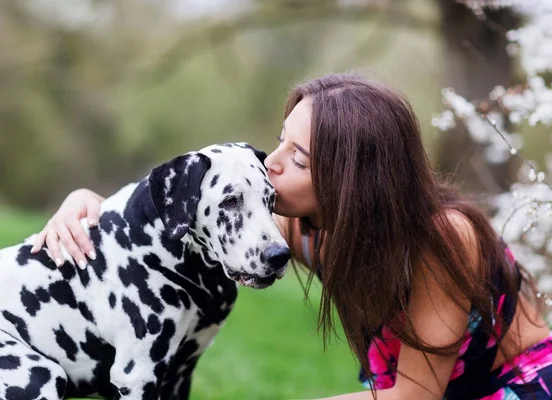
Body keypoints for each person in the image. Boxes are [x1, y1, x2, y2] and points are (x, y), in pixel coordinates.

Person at [31, 73, 552, 399]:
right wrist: (89, 202)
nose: (270, 163)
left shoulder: (441, 239)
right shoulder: (301, 230)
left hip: (514, 390)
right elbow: (183, 212)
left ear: (352, 182)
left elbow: (414, 396)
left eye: (297, 158)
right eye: (280, 143)